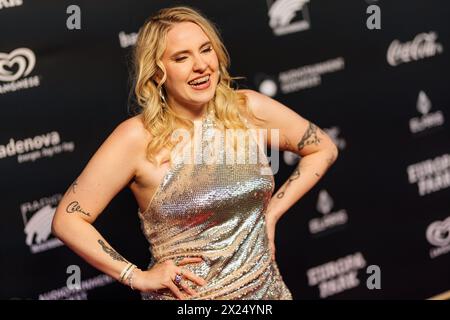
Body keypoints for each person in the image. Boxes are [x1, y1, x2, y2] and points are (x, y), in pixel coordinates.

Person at [52, 6, 338, 300]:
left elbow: (322, 148)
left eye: (205, 50)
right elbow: (67, 220)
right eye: (181, 57)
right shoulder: (137, 137)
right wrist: (135, 276)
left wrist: (272, 214)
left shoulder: (248, 110)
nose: (200, 65)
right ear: (157, 71)